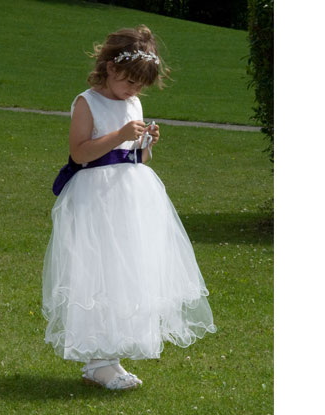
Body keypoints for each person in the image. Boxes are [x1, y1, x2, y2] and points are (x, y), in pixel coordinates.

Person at [42, 25, 216, 390]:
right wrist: (120, 135)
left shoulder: (133, 103)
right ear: (110, 67)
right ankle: (97, 359)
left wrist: (145, 144)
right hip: (96, 197)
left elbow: (135, 158)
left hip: (131, 198)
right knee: (100, 271)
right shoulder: (87, 102)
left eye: (140, 85)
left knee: (128, 271)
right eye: (129, 81)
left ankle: (112, 356)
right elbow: (80, 153)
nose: (134, 91)